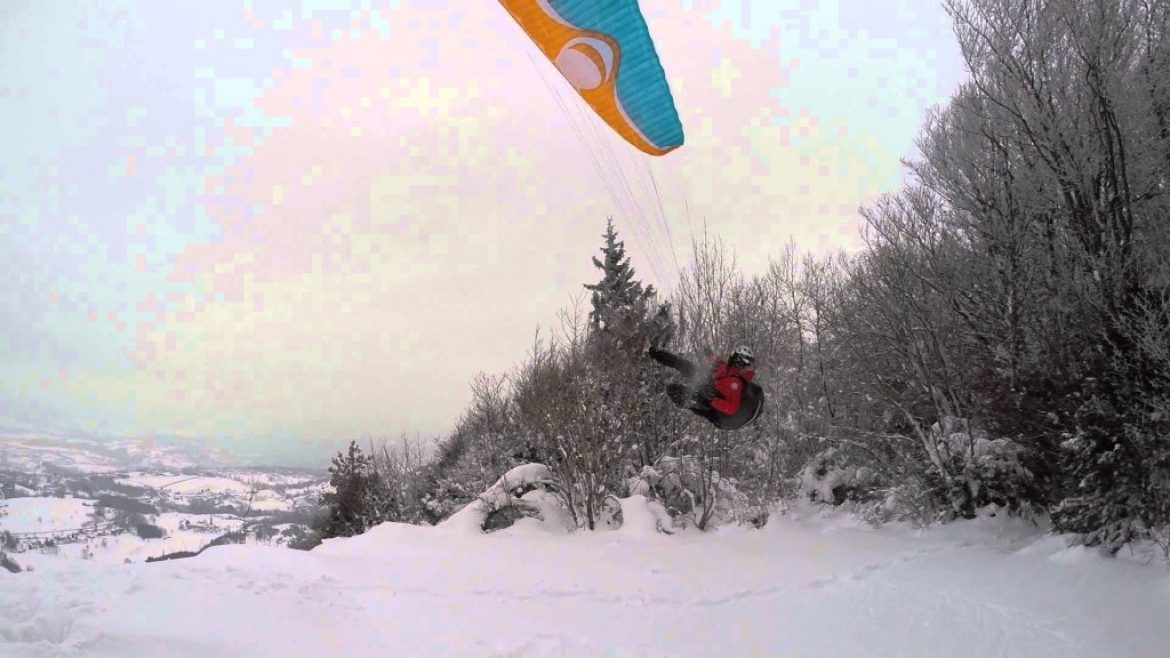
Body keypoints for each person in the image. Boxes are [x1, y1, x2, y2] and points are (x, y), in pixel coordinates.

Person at [648, 344, 756, 425]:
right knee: (687, 367)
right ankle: (656, 354)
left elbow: (732, 409)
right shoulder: (728, 370)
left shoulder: (736, 384)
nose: (741, 367)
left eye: (744, 365)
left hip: (711, 405)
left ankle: (659, 387)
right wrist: (709, 354)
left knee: (677, 390)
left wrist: (712, 398)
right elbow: (719, 364)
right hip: (709, 389)